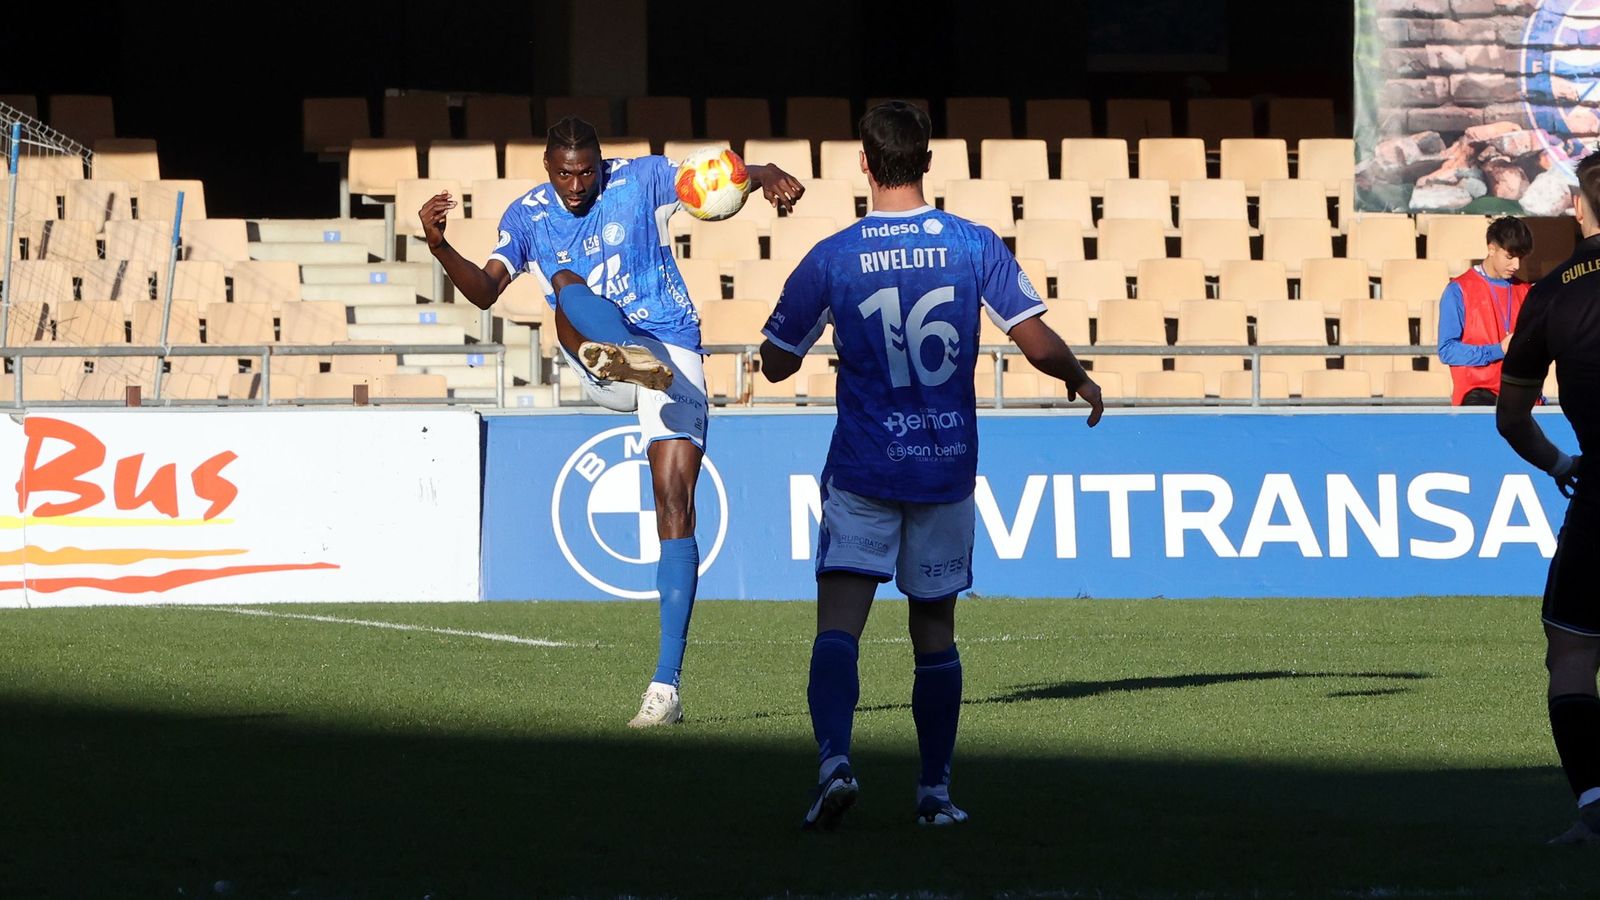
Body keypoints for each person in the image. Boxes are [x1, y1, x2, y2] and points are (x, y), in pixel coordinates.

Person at [757, 101, 1104, 830]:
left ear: (862, 161)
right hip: (943, 468)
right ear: (927, 160)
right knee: (935, 636)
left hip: (863, 469)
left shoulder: (834, 256)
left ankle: (833, 765)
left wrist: (796, 344)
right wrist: (1077, 377)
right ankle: (935, 795)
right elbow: (1035, 340)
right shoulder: (971, 244)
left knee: (838, 629)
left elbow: (778, 363)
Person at [417, 117, 805, 728]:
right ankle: (622, 356)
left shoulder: (640, 178)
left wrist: (764, 175)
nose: (577, 185)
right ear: (548, 168)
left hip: (671, 348)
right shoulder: (528, 218)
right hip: (600, 356)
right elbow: (488, 292)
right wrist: (439, 244)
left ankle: (665, 688)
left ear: (602, 163)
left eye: (587, 172)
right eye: (566, 173)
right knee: (566, 283)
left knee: (674, 503)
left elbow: (712, 177)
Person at [1497, 154, 1599, 845]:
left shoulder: (1555, 289)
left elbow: (1511, 416)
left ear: (1577, 205)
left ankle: (1595, 809)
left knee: (1571, 651)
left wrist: (1560, 462)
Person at [1438, 216, 1534, 406]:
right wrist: (1497, 350)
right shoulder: (1458, 290)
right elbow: (1447, 350)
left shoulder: (1526, 292)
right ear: (1491, 249)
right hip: (1477, 397)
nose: (1516, 265)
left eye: (1520, 258)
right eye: (1510, 256)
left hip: (1520, 395)